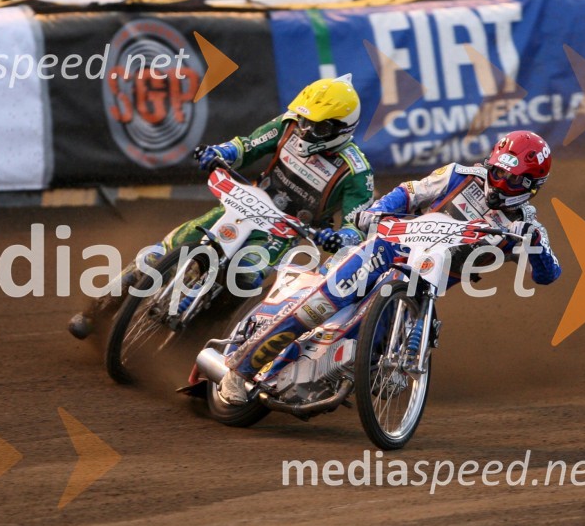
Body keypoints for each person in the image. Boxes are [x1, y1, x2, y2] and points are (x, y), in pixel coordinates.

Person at [219, 130, 562, 404]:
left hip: (421, 287)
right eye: (498, 172)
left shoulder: (524, 226)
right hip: (387, 248)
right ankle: (240, 370)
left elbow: (548, 274)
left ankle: (358, 368)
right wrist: (375, 211)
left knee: (389, 358)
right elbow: (410, 192)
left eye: (512, 180)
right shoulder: (458, 175)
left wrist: (535, 244)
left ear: (531, 187)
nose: (500, 183)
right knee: (320, 303)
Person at [68, 73, 375, 339]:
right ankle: (96, 311)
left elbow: (357, 227)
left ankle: (197, 333)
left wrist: (339, 238)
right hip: (245, 202)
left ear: (341, 129)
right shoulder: (288, 125)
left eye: (317, 128)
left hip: (283, 231)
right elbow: (246, 146)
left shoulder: (357, 172)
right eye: (305, 121)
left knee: (246, 276)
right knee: (162, 252)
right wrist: (219, 152)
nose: (305, 131)